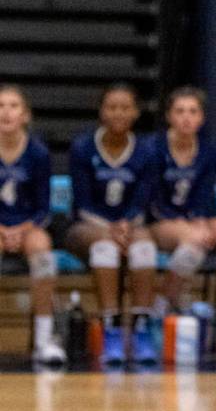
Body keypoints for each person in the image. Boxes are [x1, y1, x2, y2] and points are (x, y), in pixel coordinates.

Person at [147, 87, 216, 354]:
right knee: (193, 242)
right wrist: (189, 225)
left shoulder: (209, 150)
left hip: (197, 219)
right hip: (160, 221)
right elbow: (150, 199)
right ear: (169, 116)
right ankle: (159, 312)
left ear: (201, 118)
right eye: (180, 112)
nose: (186, 118)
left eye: (193, 112)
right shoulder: (154, 148)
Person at [66, 83, 158, 365]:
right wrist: (109, 230)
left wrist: (126, 226)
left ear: (136, 112)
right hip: (87, 226)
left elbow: (143, 198)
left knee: (144, 246)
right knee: (105, 247)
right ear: (102, 111)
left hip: (130, 225)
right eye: (112, 107)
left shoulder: (146, 151)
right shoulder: (82, 148)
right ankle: (112, 327)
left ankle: (141, 326)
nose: (118, 113)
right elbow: (82, 202)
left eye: (125, 107)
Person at [0, 85, 65, 365]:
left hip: (27, 226)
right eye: (1, 105)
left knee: (43, 250)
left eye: (14, 106)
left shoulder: (37, 152)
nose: (6, 112)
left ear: (26, 115)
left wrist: (20, 231)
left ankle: (43, 339)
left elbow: (43, 207)